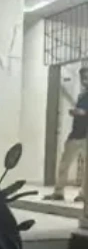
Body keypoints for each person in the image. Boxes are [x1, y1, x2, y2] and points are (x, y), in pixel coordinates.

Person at [44, 66, 88, 203]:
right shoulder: (82, 96)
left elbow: (83, 112)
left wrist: (81, 113)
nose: (84, 80)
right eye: (83, 78)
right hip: (75, 134)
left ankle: (84, 195)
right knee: (64, 164)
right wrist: (76, 112)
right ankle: (58, 192)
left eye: (86, 77)